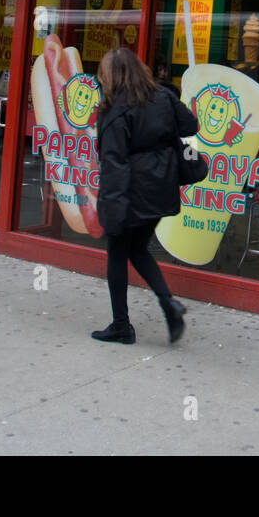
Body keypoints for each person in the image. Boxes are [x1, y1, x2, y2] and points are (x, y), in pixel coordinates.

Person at [93, 46, 198, 345]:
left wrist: (112, 210)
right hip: (160, 187)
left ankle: (121, 325)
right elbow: (191, 125)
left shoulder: (114, 110)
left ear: (111, 75)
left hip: (130, 191)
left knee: (118, 252)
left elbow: (114, 165)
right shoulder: (163, 96)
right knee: (137, 248)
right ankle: (168, 304)